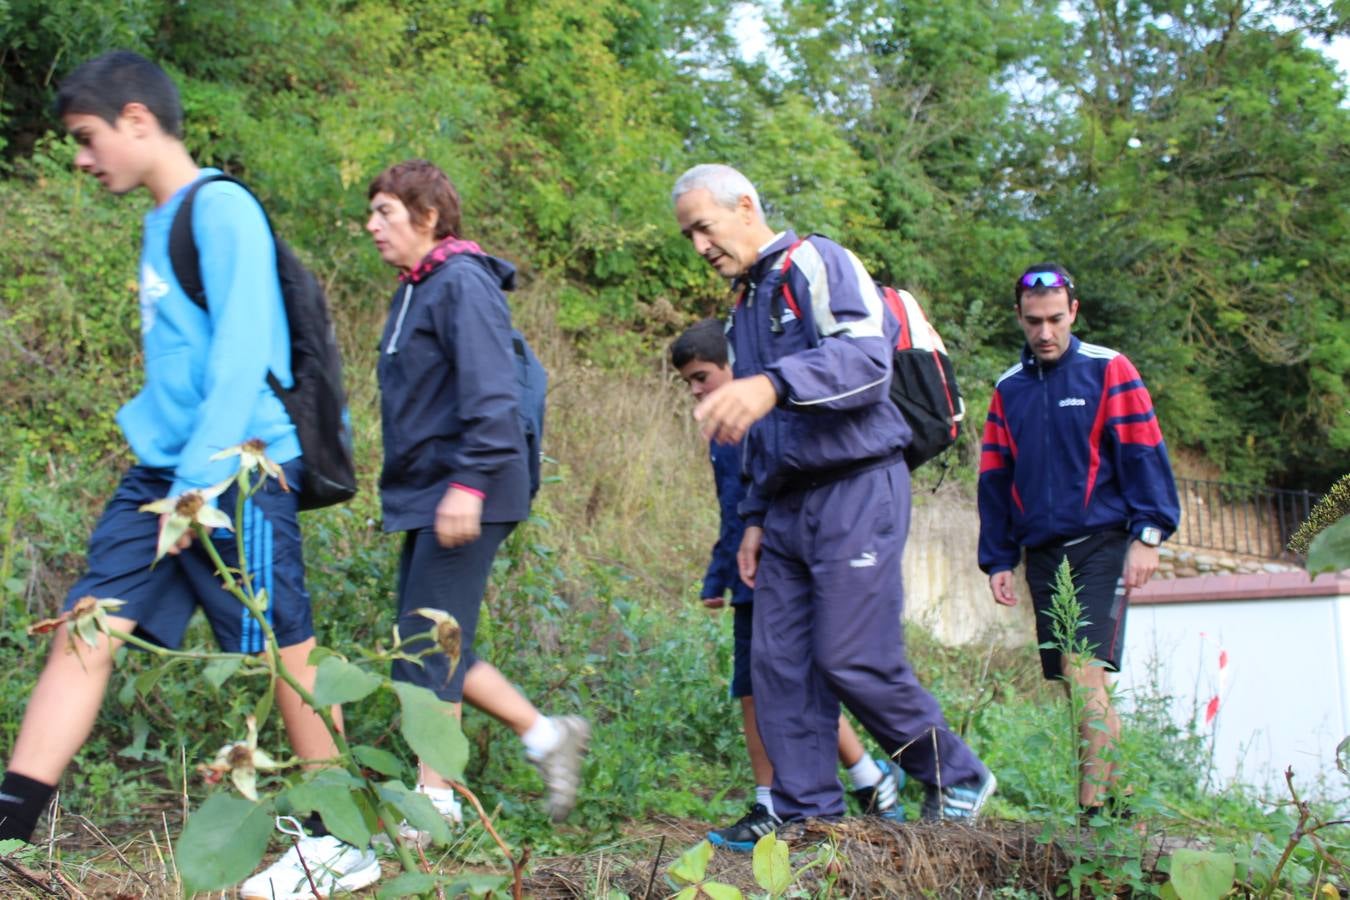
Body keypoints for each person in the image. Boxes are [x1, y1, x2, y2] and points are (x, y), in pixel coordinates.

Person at [0, 51, 380, 899]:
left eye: (89, 138)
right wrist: (165, 470)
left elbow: (243, 357)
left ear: (138, 119)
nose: (82, 157)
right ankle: (8, 824)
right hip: (165, 472)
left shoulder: (223, 210)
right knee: (87, 625)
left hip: (236, 470)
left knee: (287, 655)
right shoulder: (157, 218)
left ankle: (343, 841)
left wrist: (198, 487)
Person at [670, 164, 995, 826]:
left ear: (745, 205)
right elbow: (758, 434)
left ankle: (957, 775)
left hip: (857, 486)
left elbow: (867, 364)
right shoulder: (741, 309)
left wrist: (771, 384)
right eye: (688, 236)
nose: (700, 246)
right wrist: (753, 518)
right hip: (784, 506)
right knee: (778, 666)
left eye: (704, 227)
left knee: (850, 654)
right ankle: (807, 816)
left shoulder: (816, 263)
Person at [365, 159, 588, 840]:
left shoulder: (461, 282)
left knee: (428, 639)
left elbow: (492, 396)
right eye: (371, 214)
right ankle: (548, 735)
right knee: (420, 639)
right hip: (438, 487)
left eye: (385, 213)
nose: (371, 227)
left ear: (427, 217)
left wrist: (466, 485)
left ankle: (436, 802)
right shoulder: (417, 288)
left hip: (470, 487)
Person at [671, 319, 903, 849]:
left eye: (703, 376)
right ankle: (865, 781)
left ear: (735, 365)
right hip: (752, 566)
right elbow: (732, 511)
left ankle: (777, 801)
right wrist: (718, 572)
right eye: (689, 382)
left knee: (776, 686)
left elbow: (760, 498)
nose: (697, 389)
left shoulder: (767, 415)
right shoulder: (726, 426)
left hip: (784, 565)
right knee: (777, 686)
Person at [977, 263, 1180, 817]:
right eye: (1033, 321)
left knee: (1082, 666)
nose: (1045, 333)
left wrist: (1150, 534)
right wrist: (997, 556)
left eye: (1055, 319)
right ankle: (1121, 805)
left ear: (1074, 312)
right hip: (1042, 551)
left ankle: (1089, 815)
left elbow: (1144, 451)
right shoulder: (1007, 390)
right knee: (1075, 683)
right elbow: (995, 478)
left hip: (1102, 541)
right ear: (1019, 317)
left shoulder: (1109, 370)